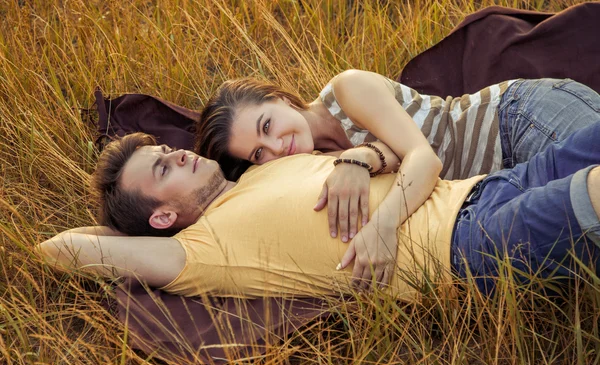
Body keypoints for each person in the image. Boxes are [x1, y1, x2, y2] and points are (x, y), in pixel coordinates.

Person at [38, 120, 600, 299]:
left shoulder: (262, 168)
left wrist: (359, 157)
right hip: (473, 246)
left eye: (167, 150)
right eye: (164, 169)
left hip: (491, 184)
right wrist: (134, 229)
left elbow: (397, 153)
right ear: (162, 218)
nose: (179, 153)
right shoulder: (199, 252)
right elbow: (60, 248)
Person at [196, 70, 600, 284]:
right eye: (257, 153)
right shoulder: (317, 163)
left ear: (281, 99)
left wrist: (385, 223)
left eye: (267, 125)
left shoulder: (347, 90)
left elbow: (424, 158)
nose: (276, 147)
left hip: (516, 120)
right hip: (507, 181)